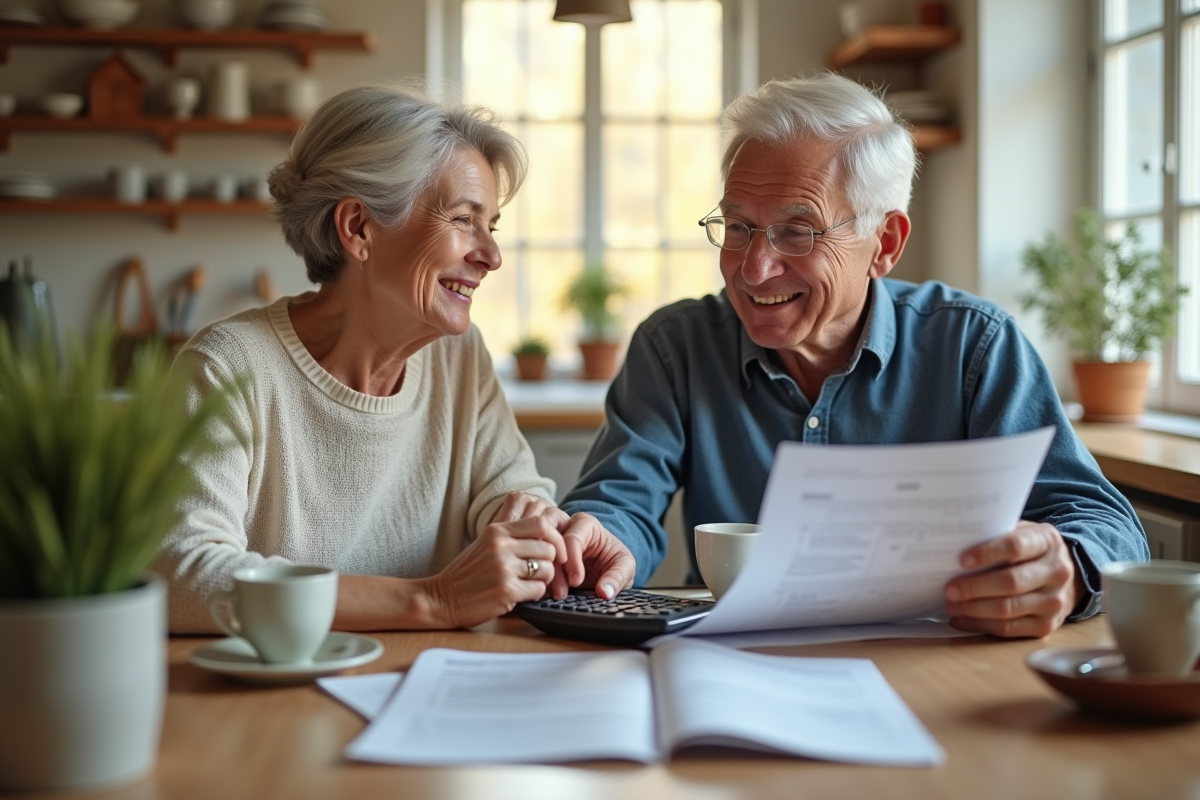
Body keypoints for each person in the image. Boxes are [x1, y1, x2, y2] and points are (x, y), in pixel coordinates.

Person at [559, 73, 1147, 639]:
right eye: (738, 227)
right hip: (729, 659)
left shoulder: (974, 346)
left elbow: (1103, 522)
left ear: (884, 244)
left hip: (933, 668)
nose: (754, 268)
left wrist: (1067, 567)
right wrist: (592, 539)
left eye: (798, 231)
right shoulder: (674, 347)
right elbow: (620, 506)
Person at [153, 83, 633, 634]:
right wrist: (433, 600)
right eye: (462, 220)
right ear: (358, 228)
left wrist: (538, 527)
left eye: (492, 226)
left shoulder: (458, 356)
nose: (492, 256)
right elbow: (182, 574)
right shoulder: (227, 368)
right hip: (275, 700)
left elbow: (506, 489)